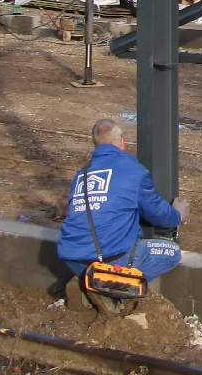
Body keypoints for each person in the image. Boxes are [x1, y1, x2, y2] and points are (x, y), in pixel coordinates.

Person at [57, 118, 187, 312]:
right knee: (171, 252)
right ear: (121, 143)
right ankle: (114, 293)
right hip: (111, 257)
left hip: (73, 257)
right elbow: (157, 212)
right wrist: (177, 214)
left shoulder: (81, 175)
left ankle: (87, 283)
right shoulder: (132, 170)